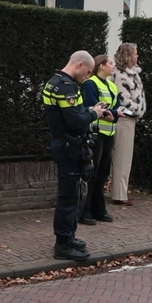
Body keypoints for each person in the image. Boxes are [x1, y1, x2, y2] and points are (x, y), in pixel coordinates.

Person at [42, 51, 111, 261]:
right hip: (68, 147)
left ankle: (68, 237)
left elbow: (71, 113)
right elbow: (74, 121)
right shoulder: (66, 88)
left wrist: (89, 109)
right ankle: (63, 243)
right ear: (79, 65)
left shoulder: (56, 83)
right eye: (87, 72)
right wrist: (94, 114)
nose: (87, 77)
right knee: (69, 197)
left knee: (73, 196)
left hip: (67, 145)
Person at [80, 54, 123, 225]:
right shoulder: (91, 84)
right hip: (96, 134)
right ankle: (85, 210)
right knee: (92, 173)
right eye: (111, 63)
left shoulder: (112, 86)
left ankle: (99, 209)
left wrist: (115, 114)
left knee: (103, 173)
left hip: (109, 134)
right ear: (102, 66)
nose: (113, 66)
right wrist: (113, 114)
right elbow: (92, 105)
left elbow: (117, 106)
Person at [110, 42, 146, 206]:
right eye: (135, 54)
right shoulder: (120, 75)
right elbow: (122, 100)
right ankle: (118, 194)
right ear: (128, 56)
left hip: (130, 119)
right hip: (124, 119)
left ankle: (121, 192)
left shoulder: (131, 74)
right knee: (121, 158)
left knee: (126, 158)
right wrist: (137, 110)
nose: (137, 56)